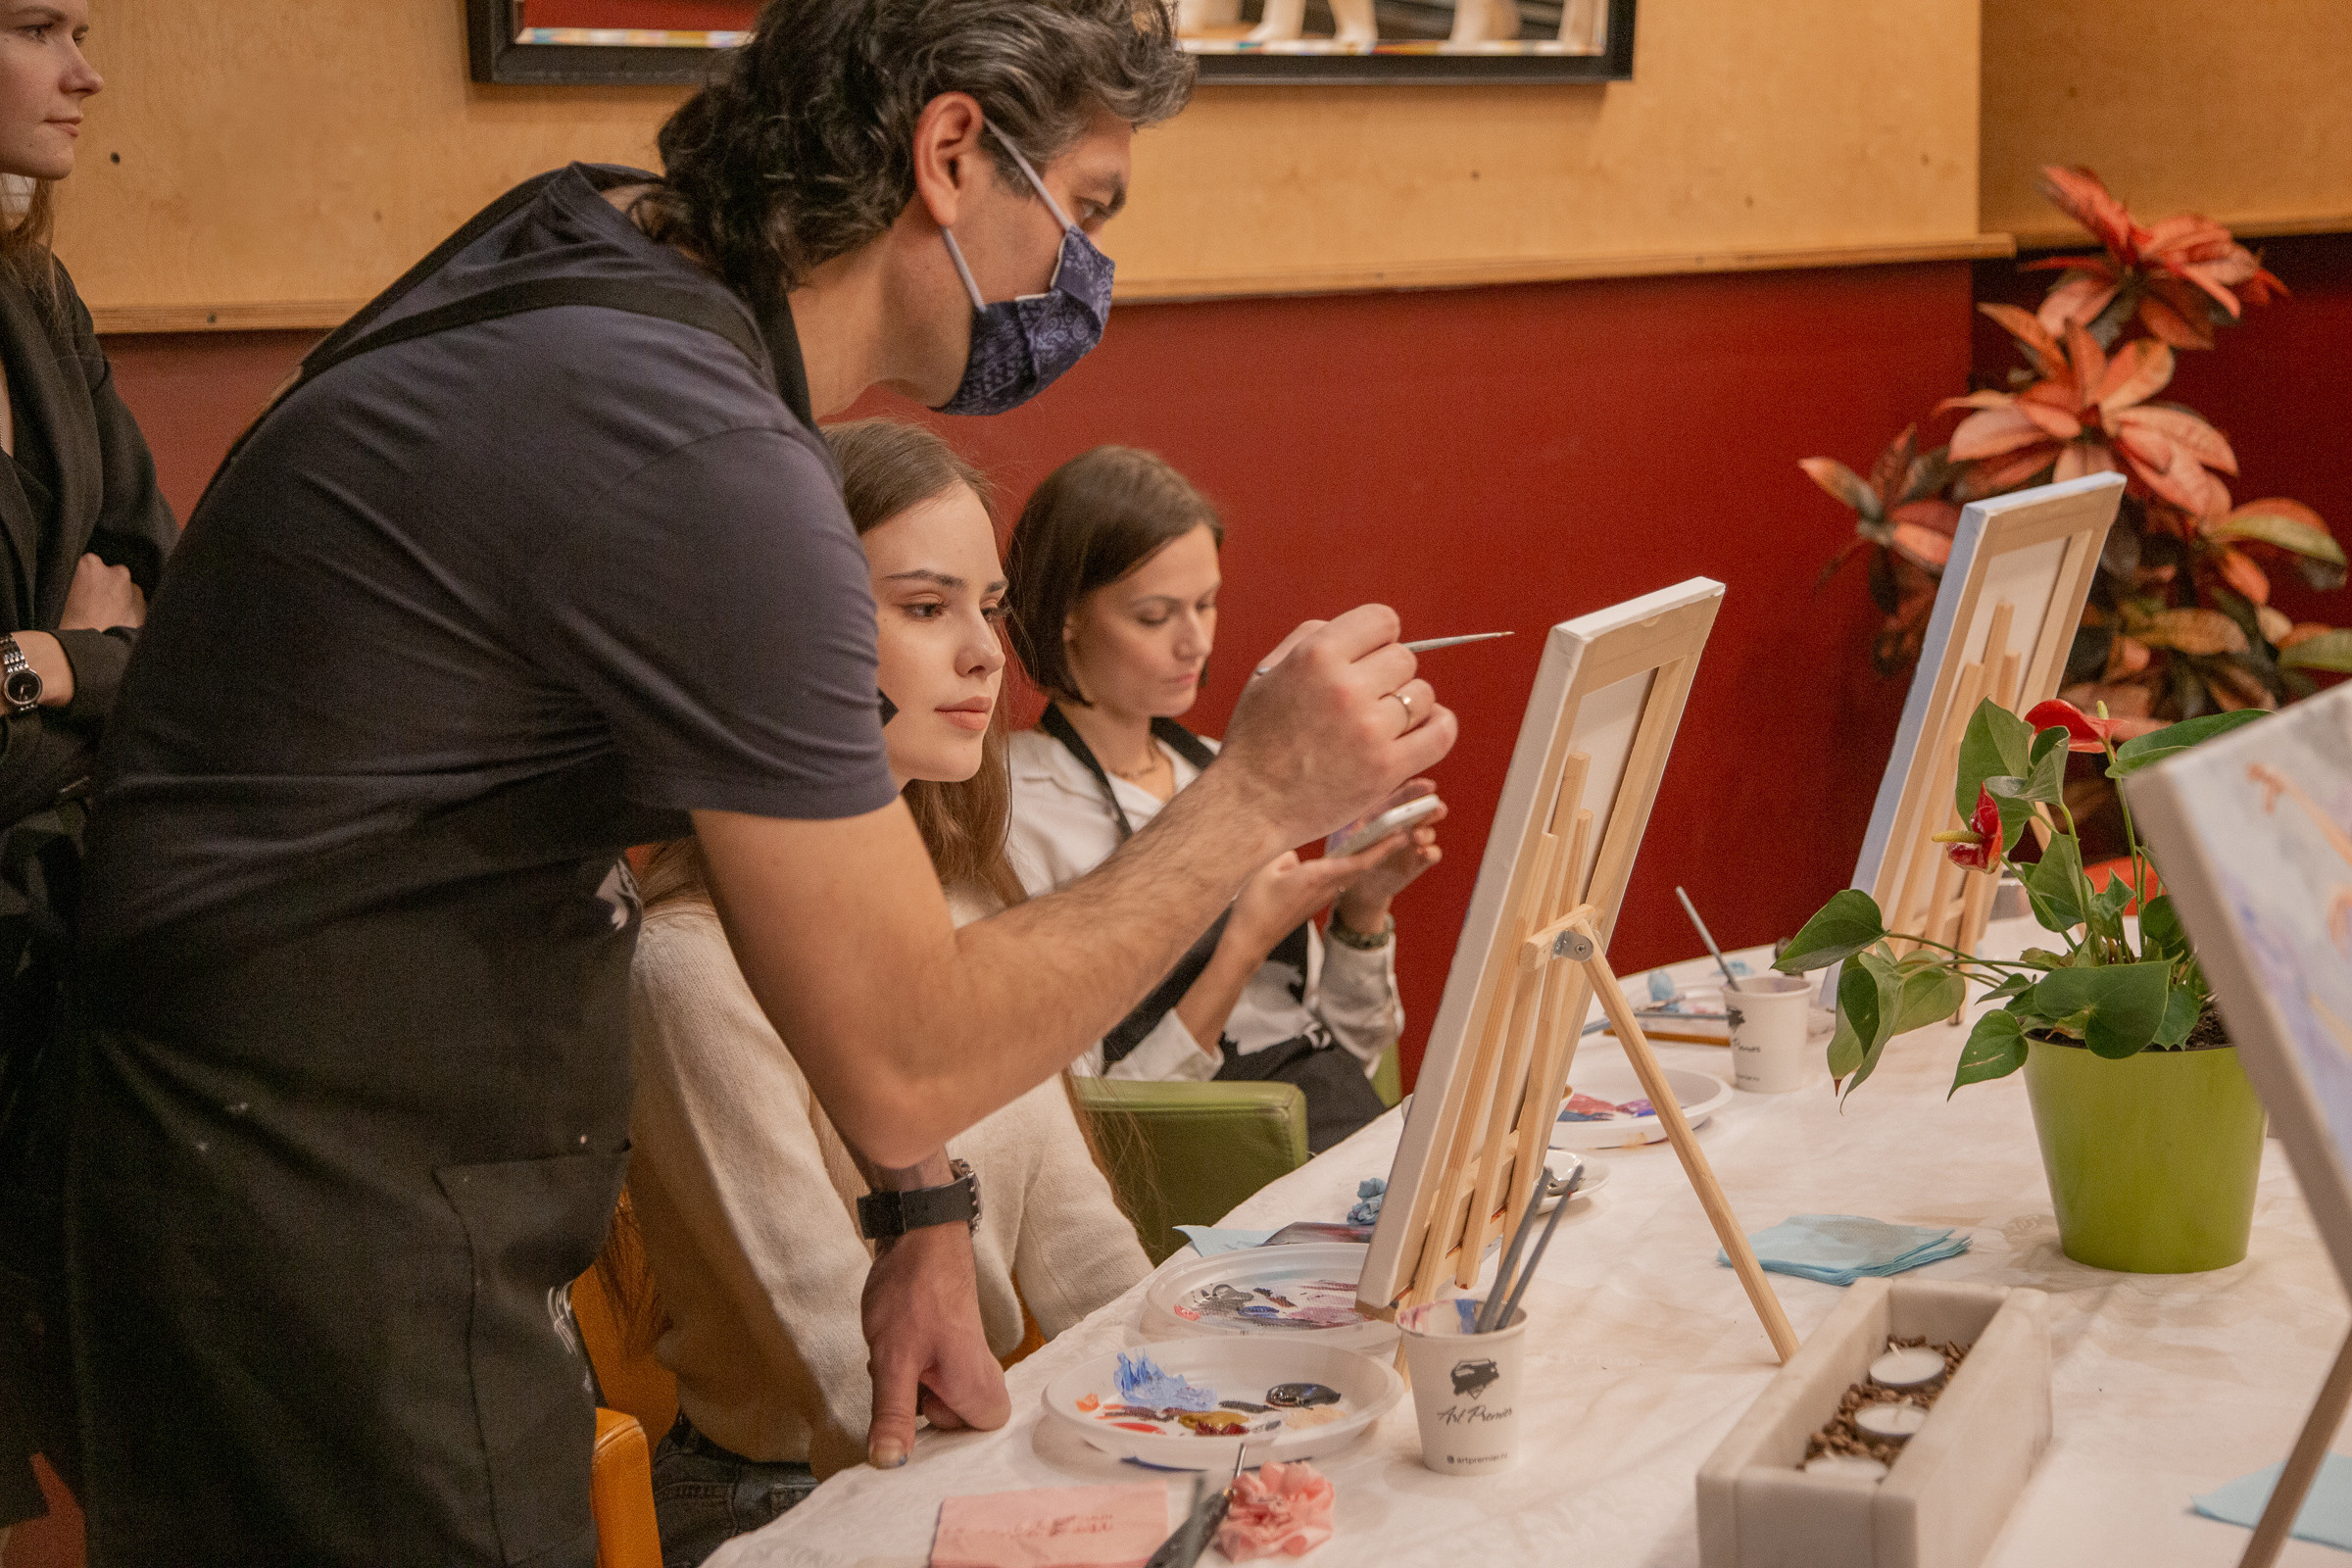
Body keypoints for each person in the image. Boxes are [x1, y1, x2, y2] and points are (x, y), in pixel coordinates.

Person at [66, 2, 1456, 1563]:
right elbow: (909, 1053)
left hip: (278, 1130)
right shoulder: (695, 440)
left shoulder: (604, 261)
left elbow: (810, 890)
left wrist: (921, 1209)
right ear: (948, 153)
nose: (1083, 276)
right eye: (1088, 210)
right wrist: (1253, 796)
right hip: (302, 1194)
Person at [621, 418, 1150, 1564]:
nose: (984, 654)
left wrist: (1200, 1420)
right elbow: (841, 1382)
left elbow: (1085, 1251)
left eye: (989, 604)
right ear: (789, 633)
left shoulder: (960, 905)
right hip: (788, 1500)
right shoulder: (689, 964)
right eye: (924, 608)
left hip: (975, 1455)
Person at [1003, 447, 1443, 1152]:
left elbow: (1339, 1056)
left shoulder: (1223, 766)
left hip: (1331, 1132)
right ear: (1067, 618)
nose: (1196, 642)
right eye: (1153, 616)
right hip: (1210, 1180)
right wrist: (1242, 946)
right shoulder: (1020, 811)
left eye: (1206, 605)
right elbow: (1106, 1126)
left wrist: (1362, 910)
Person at [0, 0, 175, 1540]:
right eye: (33, 25)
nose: (86, 71)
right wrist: (50, 658)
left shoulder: (38, 302)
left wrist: (61, 664)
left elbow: (170, 603)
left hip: (49, 961)